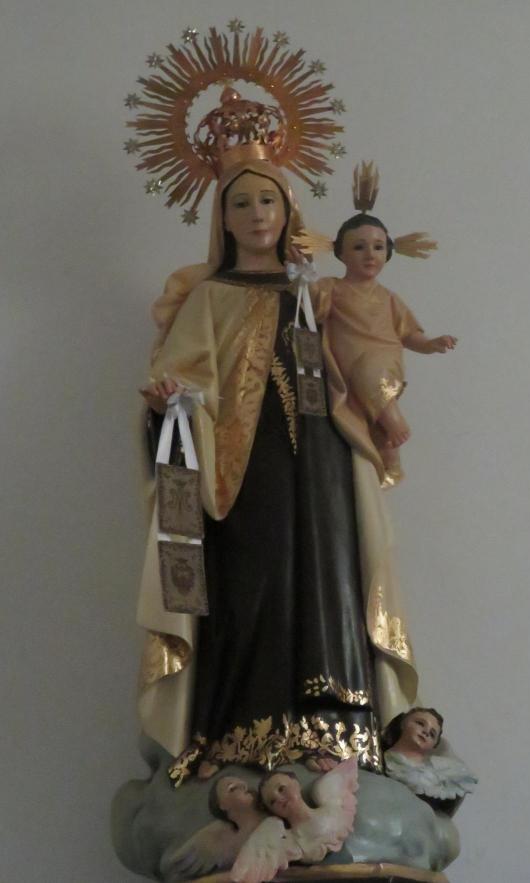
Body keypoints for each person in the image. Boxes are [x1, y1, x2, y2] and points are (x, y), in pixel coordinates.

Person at [137, 158, 419, 789]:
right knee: (253, 578)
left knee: (331, 576)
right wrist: (169, 402)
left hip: (323, 461)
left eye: (268, 200)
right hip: (243, 468)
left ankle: (335, 725)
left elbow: (365, 348)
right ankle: (237, 728)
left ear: (289, 211)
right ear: (222, 219)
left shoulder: (316, 292)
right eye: (241, 203)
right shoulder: (209, 296)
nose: (257, 214)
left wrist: (383, 403)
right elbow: (181, 379)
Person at [309, 212, 457, 488]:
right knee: (374, 424)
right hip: (350, 368)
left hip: (383, 363)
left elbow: (408, 333)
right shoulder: (332, 288)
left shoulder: (388, 298)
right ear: (340, 253)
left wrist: (430, 344)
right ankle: (390, 465)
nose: (370, 255)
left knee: (371, 375)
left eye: (378, 247)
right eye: (359, 247)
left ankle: (395, 424)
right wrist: (302, 269)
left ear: (388, 252)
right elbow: (308, 304)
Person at [382, 707, 477, 813]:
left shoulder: (433, 777)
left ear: (434, 746)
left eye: (432, 734)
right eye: (420, 723)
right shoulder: (381, 757)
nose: (426, 732)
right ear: (403, 723)